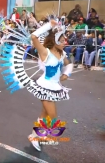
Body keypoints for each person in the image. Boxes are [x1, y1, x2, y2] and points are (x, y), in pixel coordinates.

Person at [26, 20, 73, 151]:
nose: (65, 43)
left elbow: (69, 64)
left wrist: (66, 74)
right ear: (56, 41)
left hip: (55, 87)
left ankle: (34, 135)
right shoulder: (45, 52)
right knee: (52, 116)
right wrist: (48, 26)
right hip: (44, 86)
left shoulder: (62, 53)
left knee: (45, 114)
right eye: (62, 40)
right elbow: (34, 36)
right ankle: (38, 136)